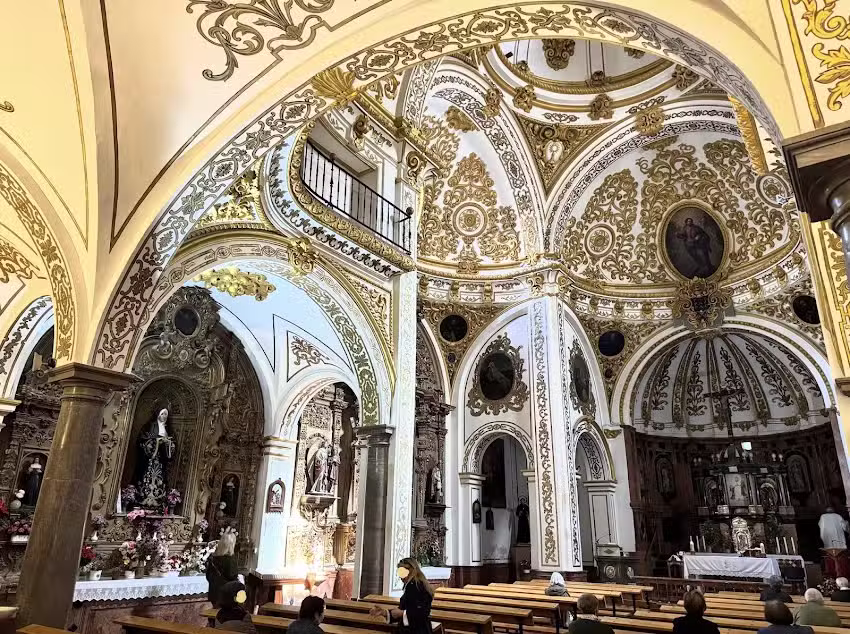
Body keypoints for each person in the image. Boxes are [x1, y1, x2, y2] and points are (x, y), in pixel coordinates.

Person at [391, 557, 433, 634]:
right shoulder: (414, 584)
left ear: (410, 571)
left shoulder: (415, 586)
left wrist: (401, 613)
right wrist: (385, 613)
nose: (400, 576)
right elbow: (406, 608)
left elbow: (422, 612)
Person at [206, 529, 239, 607]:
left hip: (214, 593)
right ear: (231, 544)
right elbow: (232, 575)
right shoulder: (229, 560)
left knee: (215, 615)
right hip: (226, 595)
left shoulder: (213, 558)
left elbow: (208, 576)